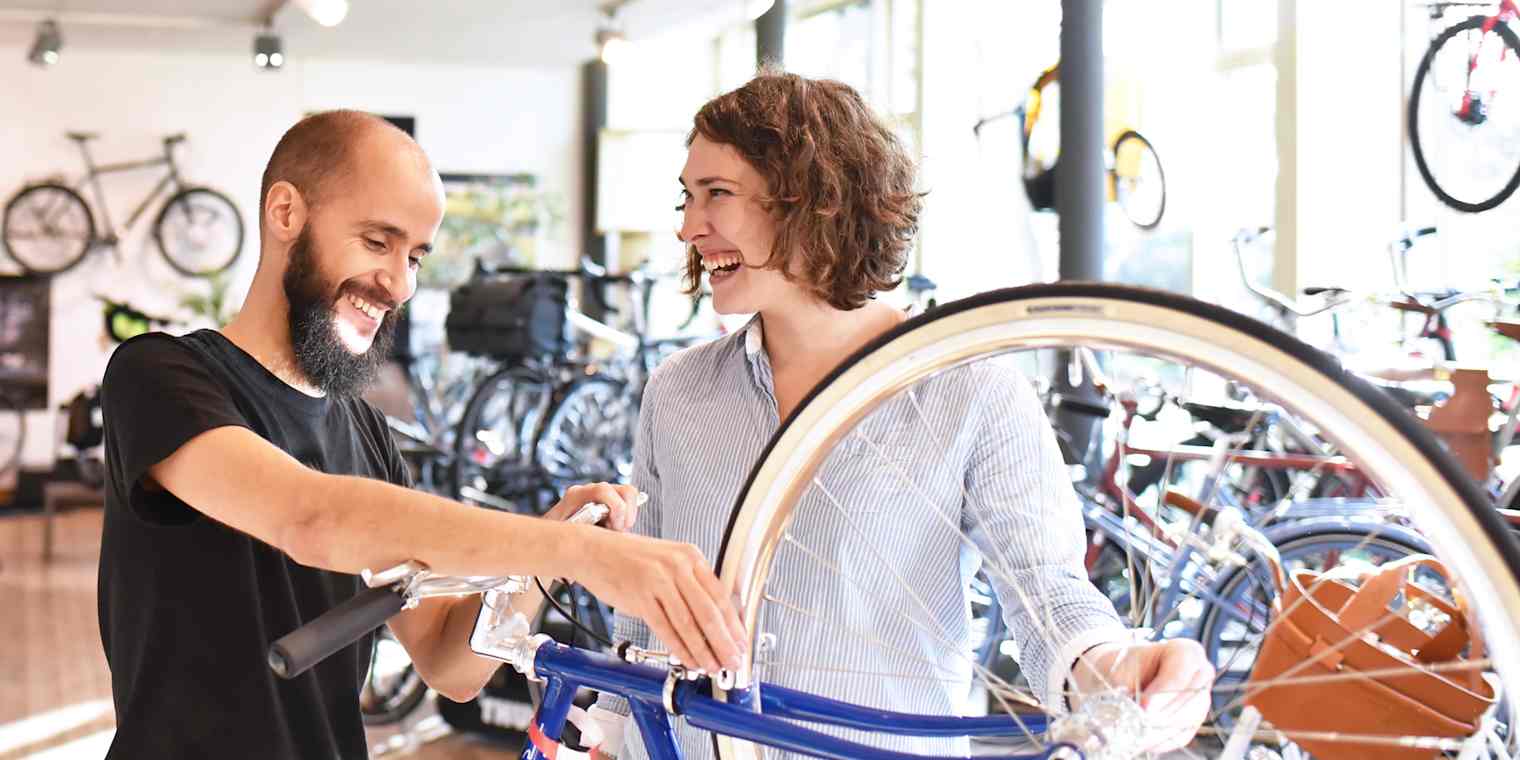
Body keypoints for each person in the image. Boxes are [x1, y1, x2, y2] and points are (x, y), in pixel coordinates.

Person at [591, 72, 1215, 757]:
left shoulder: (972, 391)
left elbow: (1047, 595)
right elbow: (641, 617)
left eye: (717, 194)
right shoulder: (679, 392)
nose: (687, 227)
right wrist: (612, 732)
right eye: (687, 196)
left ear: (817, 200)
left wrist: (1115, 668)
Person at [96, 110, 745, 759]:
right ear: (287, 213)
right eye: (378, 243)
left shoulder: (365, 431)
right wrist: (580, 554)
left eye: (415, 256)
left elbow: (448, 664)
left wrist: (550, 556)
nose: (399, 283)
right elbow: (309, 518)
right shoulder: (162, 375)